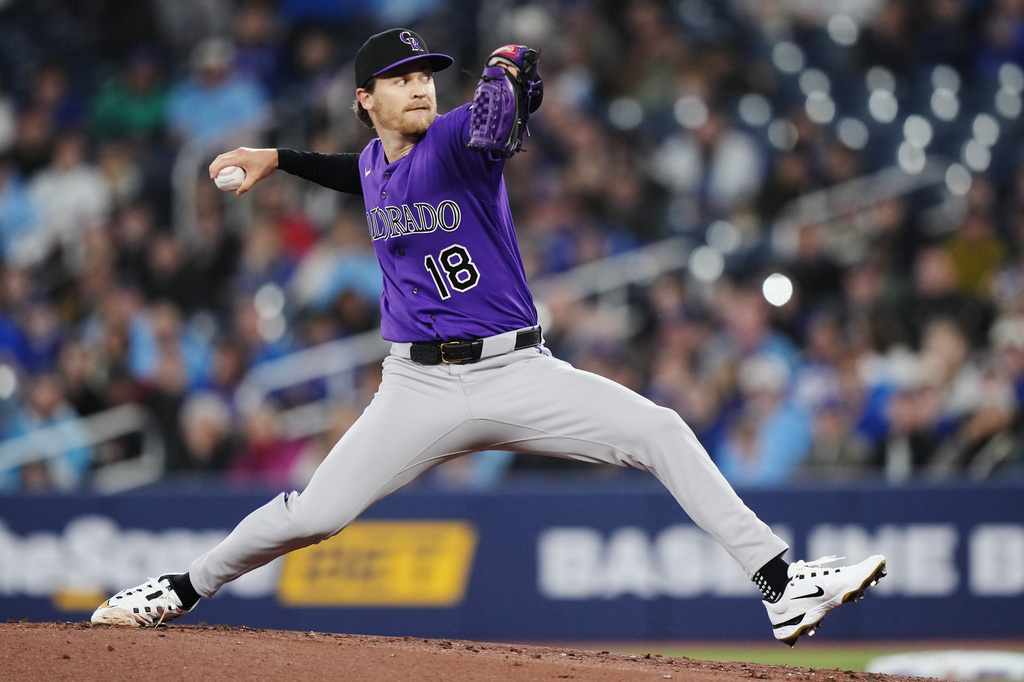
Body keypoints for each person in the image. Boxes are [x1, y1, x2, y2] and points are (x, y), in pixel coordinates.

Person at [90, 28, 886, 646]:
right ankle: (178, 589)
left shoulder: (463, 136)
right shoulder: (372, 164)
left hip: (517, 371)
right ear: (366, 98)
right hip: (416, 388)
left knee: (660, 429)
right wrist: (280, 158)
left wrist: (513, 77)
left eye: (427, 75)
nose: (419, 87)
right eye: (400, 79)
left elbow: (499, 119)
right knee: (312, 516)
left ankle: (783, 584)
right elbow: (351, 169)